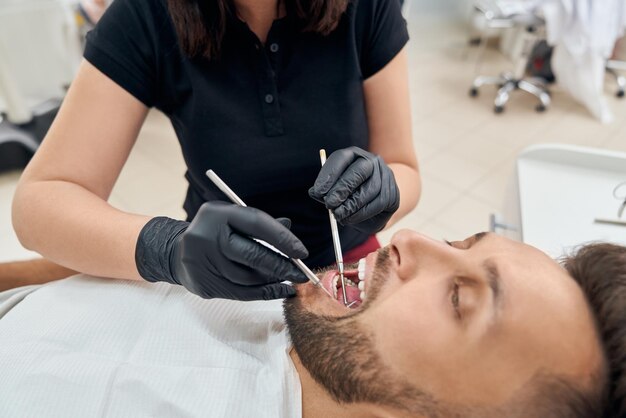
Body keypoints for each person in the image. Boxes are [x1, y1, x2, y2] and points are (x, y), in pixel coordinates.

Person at [9, 0, 420, 300]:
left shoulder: (367, 8)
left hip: (348, 258)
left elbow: (404, 166)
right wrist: (168, 248)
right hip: (219, 270)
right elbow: (39, 203)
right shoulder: (145, 16)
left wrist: (387, 189)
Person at [0, 230, 623, 417]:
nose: (411, 240)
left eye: (460, 299)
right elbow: (68, 276)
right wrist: (154, 249)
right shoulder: (296, 300)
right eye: (462, 240)